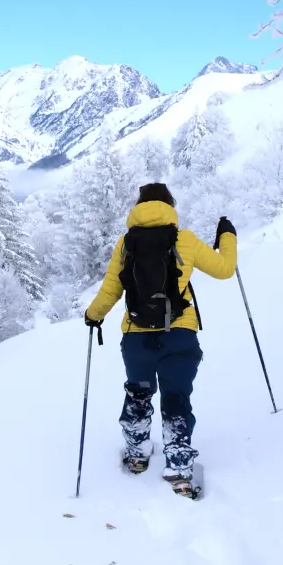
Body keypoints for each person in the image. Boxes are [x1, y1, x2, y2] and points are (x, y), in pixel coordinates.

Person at [84, 182, 236, 495]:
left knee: (139, 395)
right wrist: (227, 236)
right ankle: (179, 469)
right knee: (176, 399)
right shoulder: (186, 240)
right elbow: (225, 269)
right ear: (171, 206)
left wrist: (93, 315)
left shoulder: (126, 244)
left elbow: (111, 289)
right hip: (180, 336)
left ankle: (138, 456)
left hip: (137, 339)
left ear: (138, 207)